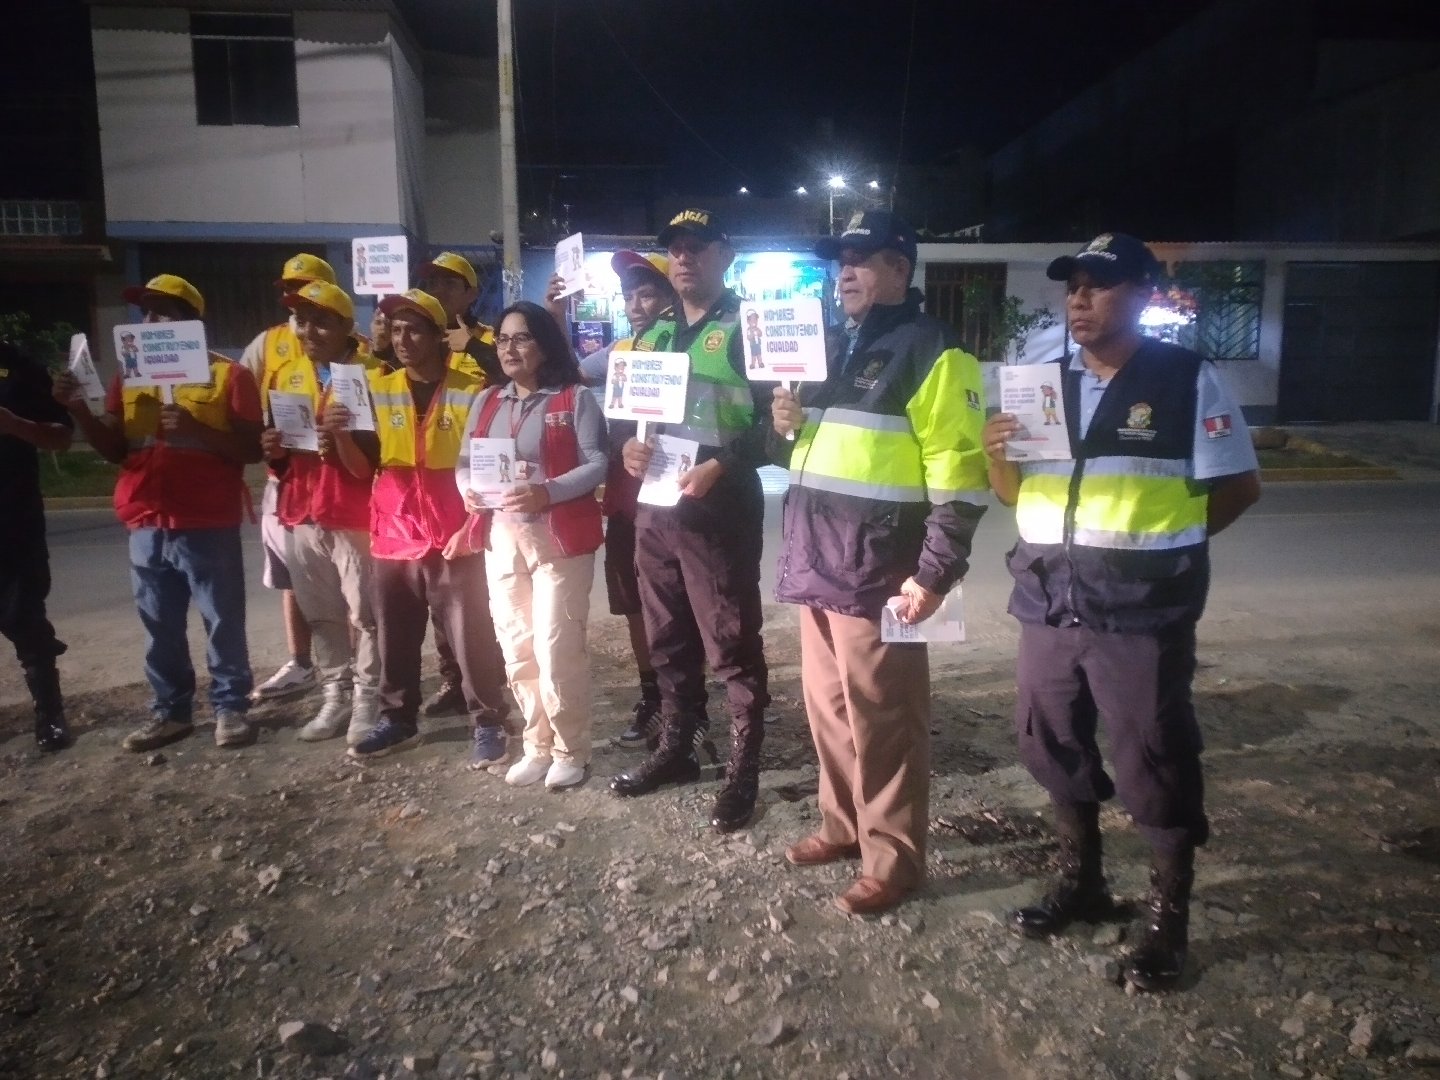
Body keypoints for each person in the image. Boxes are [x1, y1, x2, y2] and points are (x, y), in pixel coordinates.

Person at [985, 232, 1261, 991]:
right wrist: (996, 452)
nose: (1078, 299)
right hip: (1048, 599)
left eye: (1098, 285)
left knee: (1154, 756)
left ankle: (1168, 922)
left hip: (1141, 612)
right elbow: (1013, 494)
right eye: (1071, 286)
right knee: (1050, 740)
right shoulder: (1040, 382)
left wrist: (1165, 555)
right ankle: (1083, 883)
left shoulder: (1185, 378)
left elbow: (1238, 489)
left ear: (1143, 293)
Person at [770, 211, 989, 916]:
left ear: (901, 268)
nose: (847, 273)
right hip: (819, 562)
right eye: (841, 261)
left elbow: (961, 473)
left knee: (886, 720)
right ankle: (842, 826)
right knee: (831, 713)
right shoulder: (833, 346)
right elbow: (818, 452)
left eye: (862, 259)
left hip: (883, 574)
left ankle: (893, 858)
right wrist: (786, 427)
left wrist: (935, 573)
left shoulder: (935, 351)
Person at [609, 209, 771, 834]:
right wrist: (628, 448)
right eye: (676, 249)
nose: (684, 258)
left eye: (697, 247)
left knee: (730, 638)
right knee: (667, 635)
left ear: (725, 255)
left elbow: (779, 425)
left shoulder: (748, 327)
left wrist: (723, 464)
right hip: (657, 505)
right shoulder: (652, 335)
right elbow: (628, 418)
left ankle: (744, 764)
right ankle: (677, 746)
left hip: (719, 503)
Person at [54, 274, 263, 750]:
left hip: (207, 520)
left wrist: (197, 428)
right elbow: (115, 447)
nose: (150, 320)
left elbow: (251, 449)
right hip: (146, 520)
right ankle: (170, 713)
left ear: (191, 323)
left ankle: (230, 709)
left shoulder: (229, 376)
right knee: (159, 626)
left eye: (163, 311)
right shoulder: (128, 378)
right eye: (146, 311)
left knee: (222, 621)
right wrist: (79, 411)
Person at [340, 288, 511, 762]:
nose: (402, 339)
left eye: (415, 330)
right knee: (395, 634)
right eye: (396, 330)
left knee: (471, 635)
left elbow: (490, 467)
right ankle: (398, 719)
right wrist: (338, 434)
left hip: (458, 532)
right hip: (395, 532)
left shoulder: (473, 390)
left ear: (439, 336)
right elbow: (362, 468)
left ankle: (489, 721)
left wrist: (475, 524)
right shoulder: (376, 389)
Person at [449, 301, 606, 789]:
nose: (508, 348)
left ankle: (570, 749)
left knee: (556, 647)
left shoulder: (574, 399)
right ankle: (537, 744)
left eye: (521, 338)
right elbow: (464, 462)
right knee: (516, 646)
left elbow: (598, 463)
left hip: (560, 540)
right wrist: (467, 489)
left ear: (545, 344)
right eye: (502, 339)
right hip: (502, 538)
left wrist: (548, 491)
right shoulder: (487, 400)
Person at [545, 250, 677, 747]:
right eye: (629, 296)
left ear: (670, 297)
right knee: (633, 604)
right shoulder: (620, 350)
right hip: (625, 500)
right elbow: (569, 373)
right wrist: (556, 314)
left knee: (677, 605)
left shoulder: (686, 345)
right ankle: (653, 696)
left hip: (674, 499)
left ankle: (683, 701)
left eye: (647, 294)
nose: (636, 305)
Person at [259, 281, 383, 746]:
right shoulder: (285, 374)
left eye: (321, 321)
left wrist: (345, 440)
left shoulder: (374, 374)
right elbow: (279, 453)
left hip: (356, 514)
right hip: (301, 512)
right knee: (322, 614)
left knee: (366, 614)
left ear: (347, 326)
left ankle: (369, 698)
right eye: (302, 320)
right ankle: (336, 694)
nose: (308, 330)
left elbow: (381, 455)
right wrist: (272, 449)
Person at [240, 252, 338, 705]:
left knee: (345, 587)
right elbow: (243, 396)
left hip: (339, 482)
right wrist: (262, 442)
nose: (296, 297)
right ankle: (300, 663)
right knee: (291, 578)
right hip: (287, 480)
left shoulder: (353, 346)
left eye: (305, 287)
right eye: (289, 291)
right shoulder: (269, 343)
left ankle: (352, 676)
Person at [415, 251, 502, 718]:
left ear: (471, 293)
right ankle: (453, 677)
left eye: (450, 284)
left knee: (481, 593)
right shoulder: (418, 339)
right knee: (439, 594)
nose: (439, 291)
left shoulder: (489, 339)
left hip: (480, 479)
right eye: (433, 283)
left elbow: (510, 379)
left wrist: (471, 345)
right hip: (430, 483)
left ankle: (492, 676)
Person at [1, 339, 76, 751]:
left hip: (13, 519)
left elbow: (61, 437)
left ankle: (49, 715)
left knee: (24, 618)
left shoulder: (20, 366)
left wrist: (15, 425)